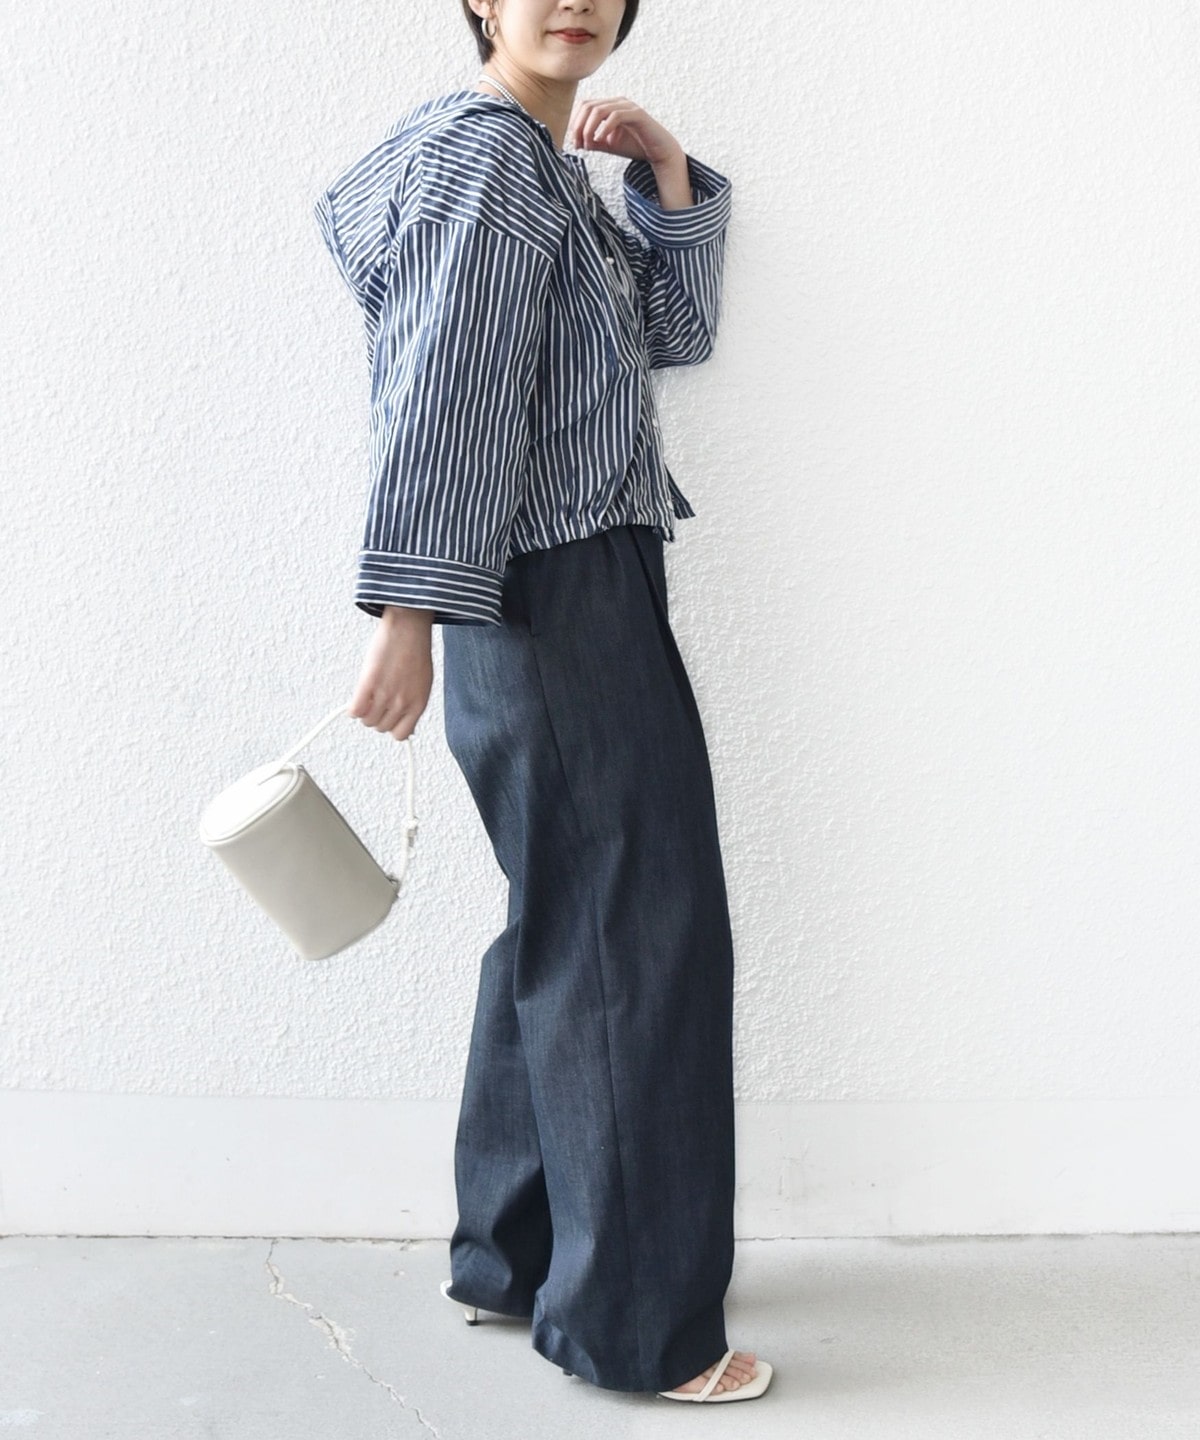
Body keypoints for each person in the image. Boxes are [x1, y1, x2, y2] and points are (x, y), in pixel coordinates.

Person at [312, 0, 773, 1404]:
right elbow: (444, 391)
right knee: (638, 934)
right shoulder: (489, 159)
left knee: (572, 915)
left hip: (569, 582)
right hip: (549, 591)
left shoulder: (539, 162)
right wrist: (411, 611)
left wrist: (668, 175)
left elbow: (669, 333)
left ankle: (515, 1255)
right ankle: (637, 1325)